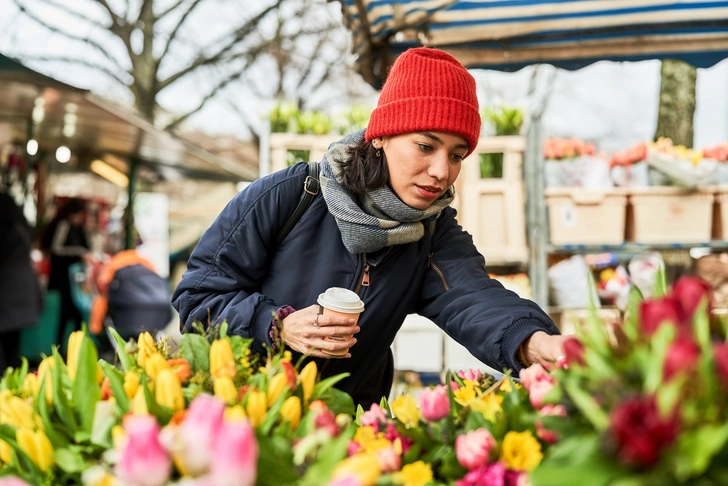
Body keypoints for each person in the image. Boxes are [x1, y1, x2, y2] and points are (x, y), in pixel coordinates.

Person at [173, 47, 566, 408]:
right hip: (244, 416)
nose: (441, 171)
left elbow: (472, 296)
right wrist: (275, 325)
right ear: (381, 135)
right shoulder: (290, 195)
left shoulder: (433, 233)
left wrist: (535, 341)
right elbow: (198, 296)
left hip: (347, 434)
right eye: (426, 146)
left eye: (456, 155)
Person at [0, 191, 42, 371]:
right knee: (12, 345)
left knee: (5, 347)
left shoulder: (3, 230)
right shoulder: (22, 227)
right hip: (22, 293)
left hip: (6, 293)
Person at [41, 198, 91, 346]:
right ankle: (64, 350)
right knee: (68, 315)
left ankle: (70, 350)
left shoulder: (78, 228)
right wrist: (80, 252)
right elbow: (56, 248)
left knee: (73, 315)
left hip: (74, 279)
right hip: (65, 279)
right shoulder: (64, 225)